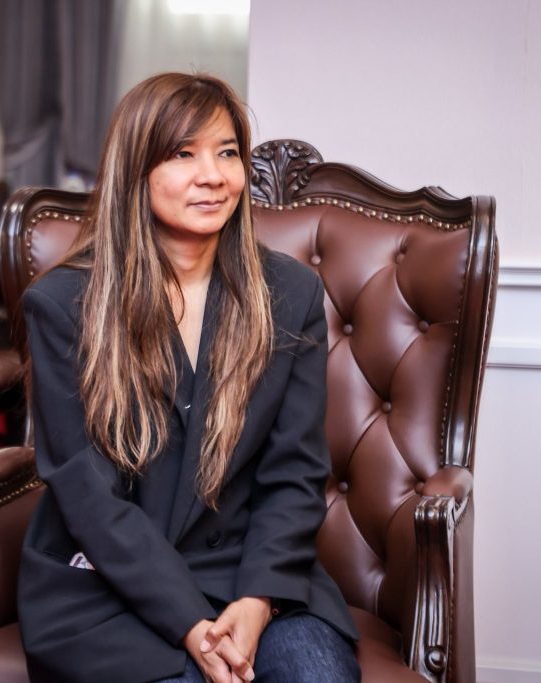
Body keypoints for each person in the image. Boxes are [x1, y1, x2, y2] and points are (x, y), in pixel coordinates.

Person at [18, 72, 360, 683]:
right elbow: (90, 499)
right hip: (107, 588)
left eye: (227, 153)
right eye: (183, 154)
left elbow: (295, 473)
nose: (213, 176)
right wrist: (189, 624)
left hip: (251, 574)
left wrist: (257, 601)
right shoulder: (64, 305)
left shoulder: (290, 293)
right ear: (137, 171)